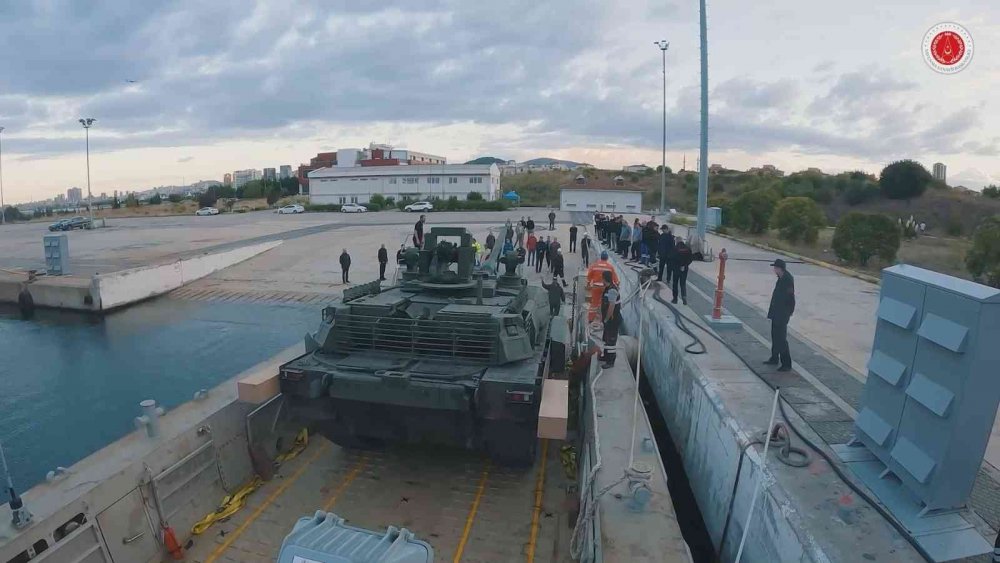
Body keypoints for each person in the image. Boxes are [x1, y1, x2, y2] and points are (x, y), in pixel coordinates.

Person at [765, 259, 796, 372]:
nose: (774, 270)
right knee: (774, 335)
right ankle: (774, 357)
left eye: (775, 268)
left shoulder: (787, 279)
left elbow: (790, 298)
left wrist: (788, 312)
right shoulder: (780, 278)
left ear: (779, 268)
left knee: (781, 339)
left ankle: (786, 363)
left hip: (782, 314)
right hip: (776, 312)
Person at [586, 250, 619, 321]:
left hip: (595, 287)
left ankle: (591, 319)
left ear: (601, 257)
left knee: (594, 304)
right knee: (603, 304)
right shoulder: (610, 267)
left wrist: (588, 283)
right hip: (605, 288)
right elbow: (615, 279)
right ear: (607, 258)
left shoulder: (594, 265)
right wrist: (617, 285)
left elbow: (589, 276)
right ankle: (601, 319)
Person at [600, 270, 622, 368]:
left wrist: (606, 319)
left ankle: (610, 361)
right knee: (605, 338)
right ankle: (605, 356)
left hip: (612, 320)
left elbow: (611, 307)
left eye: (602, 278)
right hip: (609, 320)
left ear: (605, 279)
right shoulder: (608, 288)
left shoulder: (612, 290)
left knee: (611, 341)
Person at [671, 240, 692, 304]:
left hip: (676, 269)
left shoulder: (675, 249)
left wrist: (674, 266)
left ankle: (675, 299)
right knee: (683, 283)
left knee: (675, 283)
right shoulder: (688, 249)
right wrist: (684, 265)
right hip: (684, 269)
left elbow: (672, 258)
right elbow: (690, 259)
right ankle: (684, 297)